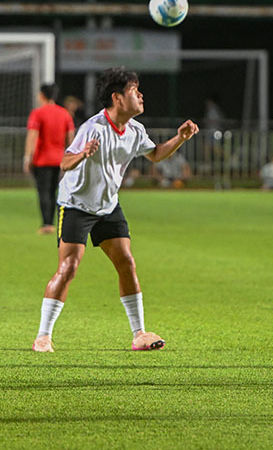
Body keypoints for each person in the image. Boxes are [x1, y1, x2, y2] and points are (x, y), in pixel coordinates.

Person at [32, 67, 199, 353]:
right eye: (135, 91)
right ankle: (43, 336)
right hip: (77, 204)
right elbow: (65, 161)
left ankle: (139, 334)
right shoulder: (93, 127)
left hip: (108, 205)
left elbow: (156, 154)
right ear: (118, 98)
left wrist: (180, 138)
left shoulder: (135, 130)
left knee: (126, 262)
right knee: (69, 266)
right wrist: (83, 154)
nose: (141, 95)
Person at [24, 83, 75, 234]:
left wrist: (27, 157)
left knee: (44, 192)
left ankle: (47, 223)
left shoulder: (38, 113)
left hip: (42, 159)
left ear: (42, 95)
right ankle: (57, 223)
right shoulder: (65, 113)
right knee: (56, 192)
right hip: (59, 160)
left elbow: (32, 136)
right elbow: (70, 138)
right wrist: (70, 157)